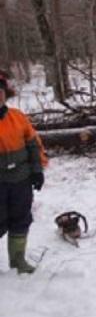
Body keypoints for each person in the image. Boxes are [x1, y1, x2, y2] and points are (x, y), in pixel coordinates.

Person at [0, 70, 46, 274]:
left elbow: (33, 145)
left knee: (21, 218)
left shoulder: (17, 117)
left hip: (21, 179)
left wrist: (37, 170)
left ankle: (18, 260)